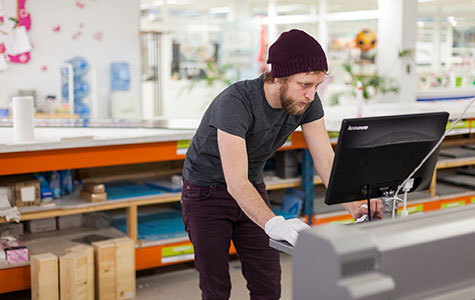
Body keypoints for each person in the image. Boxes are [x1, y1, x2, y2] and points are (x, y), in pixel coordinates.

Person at [181, 29, 383, 300]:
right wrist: (276, 223)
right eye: (304, 84)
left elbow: (324, 158)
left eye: (317, 85)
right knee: (216, 288)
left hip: (251, 185)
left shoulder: (306, 101)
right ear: (278, 77)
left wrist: (354, 203)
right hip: (205, 193)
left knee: (267, 285)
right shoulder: (235, 103)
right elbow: (235, 181)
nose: (312, 94)